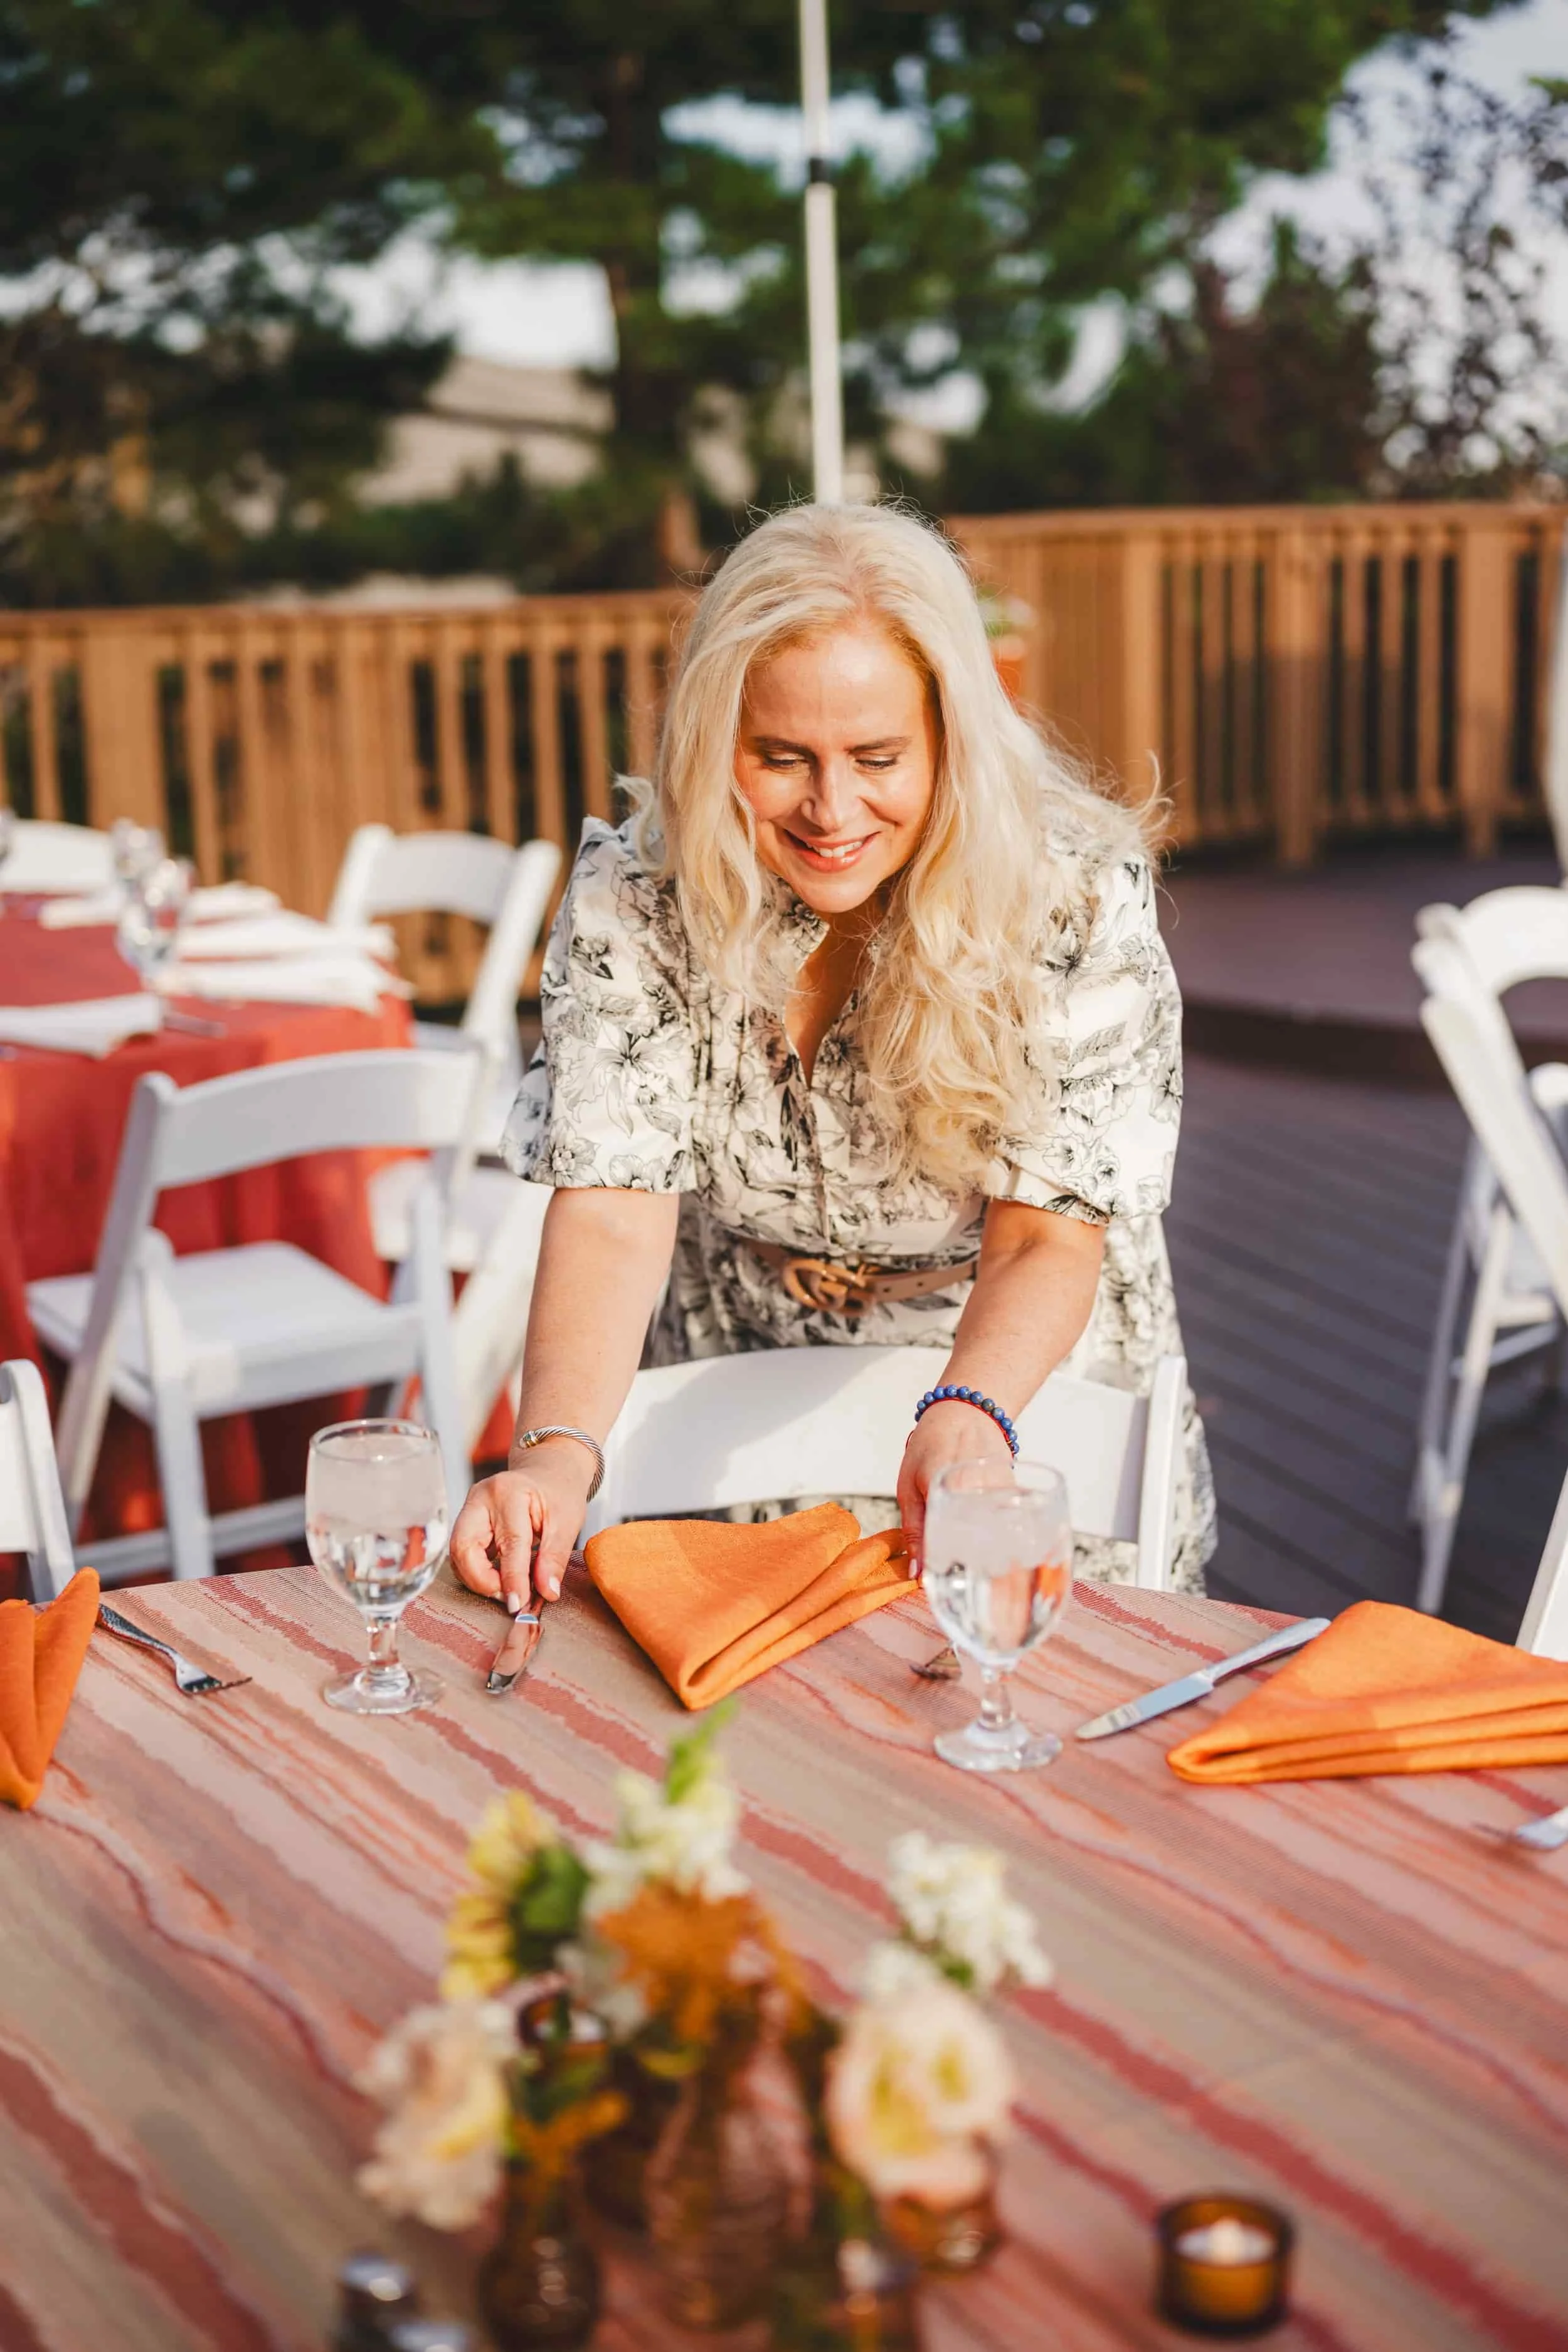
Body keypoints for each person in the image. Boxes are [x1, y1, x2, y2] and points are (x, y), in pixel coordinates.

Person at [450, 501, 1214, 1611]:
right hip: (727, 1377)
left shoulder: (1073, 897)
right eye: (780, 757)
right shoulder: (635, 899)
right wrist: (556, 1452)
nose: (832, 807)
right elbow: (614, 1208)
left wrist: (973, 1413)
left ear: (951, 734)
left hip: (1010, 1384)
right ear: (717, 739)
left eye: (877, 755)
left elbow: (1047, 1232)